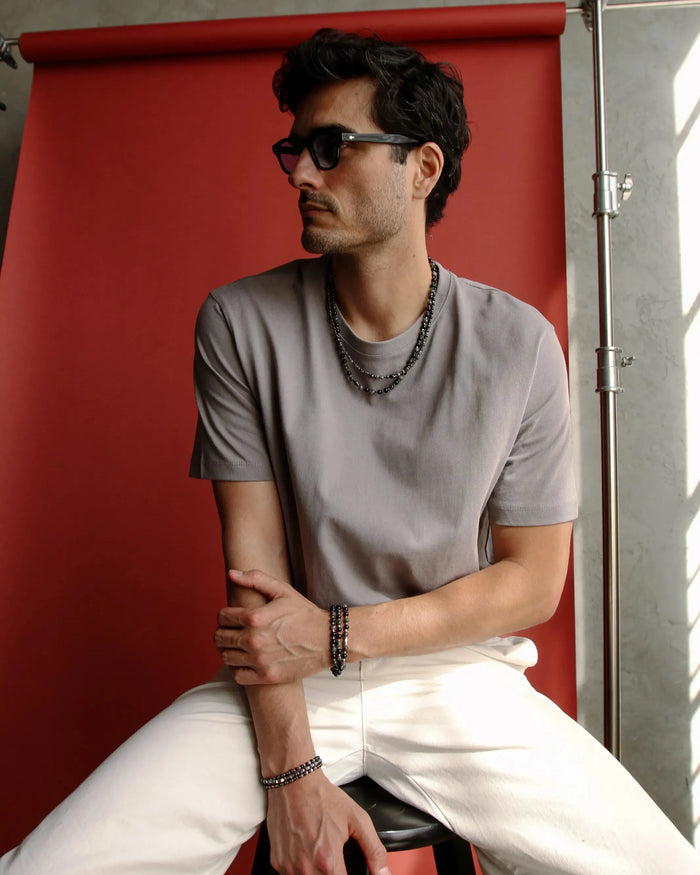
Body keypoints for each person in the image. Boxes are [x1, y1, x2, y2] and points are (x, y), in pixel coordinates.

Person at [2, 26, 699, 875]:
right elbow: (255, 580)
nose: (300, 170)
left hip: (456, 681)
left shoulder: (520, 343)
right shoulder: (239, 322)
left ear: (423, 168)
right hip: (288, 681)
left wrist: (336, 632)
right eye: (294, 148)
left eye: (332, 147)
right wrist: (293, 770)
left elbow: (531, 583)